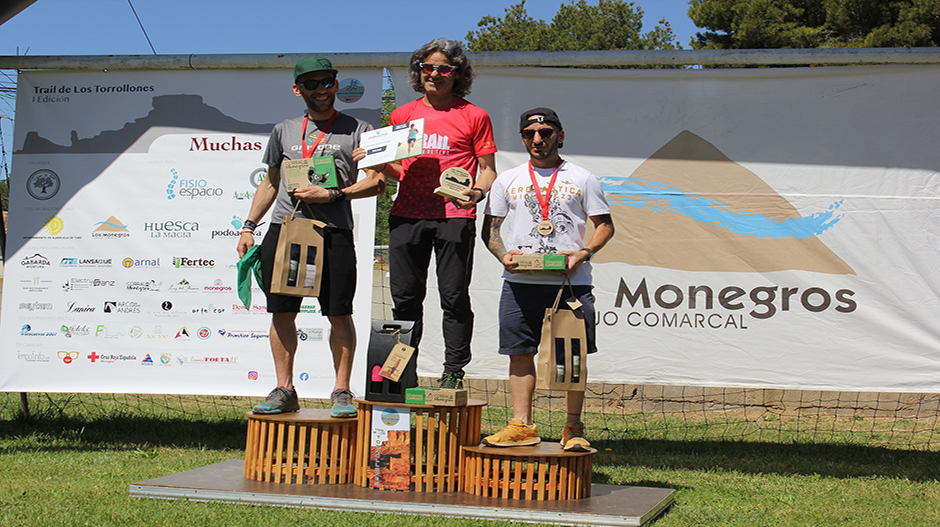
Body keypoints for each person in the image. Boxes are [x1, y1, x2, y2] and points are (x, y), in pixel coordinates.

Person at [237, 55, 389, 416]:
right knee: (282, 311)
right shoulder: (284, 130)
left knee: (338, 313)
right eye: (313, 84)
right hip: (287, 229)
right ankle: (284, 388)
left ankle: (341, 391)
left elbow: (378, 182)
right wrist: (248, 225)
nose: (322, 90)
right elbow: (271, 182)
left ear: (337, 85)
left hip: (333, 231)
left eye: (328, 82)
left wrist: (334, 194)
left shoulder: (361, 129)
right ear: (297, 89)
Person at [480, 108, 615, 451]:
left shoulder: (583, 178)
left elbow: (605, 226)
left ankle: (573, 428)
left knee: (570, 356)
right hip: (520, 283)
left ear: (560, 135)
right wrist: (503, 255)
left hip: (570, 283)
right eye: (530, 134)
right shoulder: (507, 180)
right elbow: (491, 230)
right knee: (519, 353)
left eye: (546, 132)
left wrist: (582, 254)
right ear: (523, 138)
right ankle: (521, 425)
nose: (538, 140)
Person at [384, 38, 498, 389]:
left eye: (444, 68)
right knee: (404, 300)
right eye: (428, 67)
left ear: (457, 73)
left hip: (454, 216)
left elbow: (488, 170)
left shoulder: (474, 115)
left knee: (454, 297)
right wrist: (373, 161)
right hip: (407, 215)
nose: (435, 74)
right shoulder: (402, 115)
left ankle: (453, 372)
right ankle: (404, 373)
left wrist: (476, 193)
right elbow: (394, 169)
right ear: (418, 72)